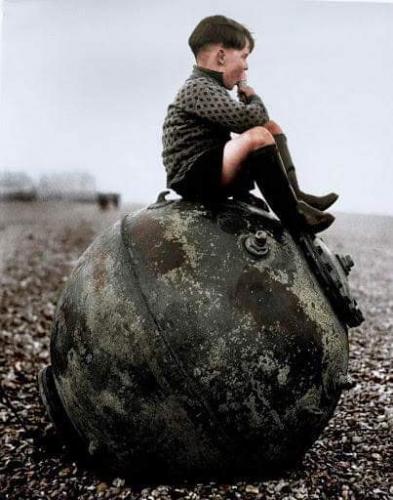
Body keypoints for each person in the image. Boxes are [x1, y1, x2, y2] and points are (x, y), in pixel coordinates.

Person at [161, 15, 338, 233]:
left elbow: (259, 122)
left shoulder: (210, 87)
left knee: (271, 128)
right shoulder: (199, 88)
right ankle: (294, 217)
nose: (246, 66)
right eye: (244, 57)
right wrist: (253, 97)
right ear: (221, 56)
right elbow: (251, 120)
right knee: (259, 135)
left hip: (211, 165)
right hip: (193, 175)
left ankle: (296, 195)